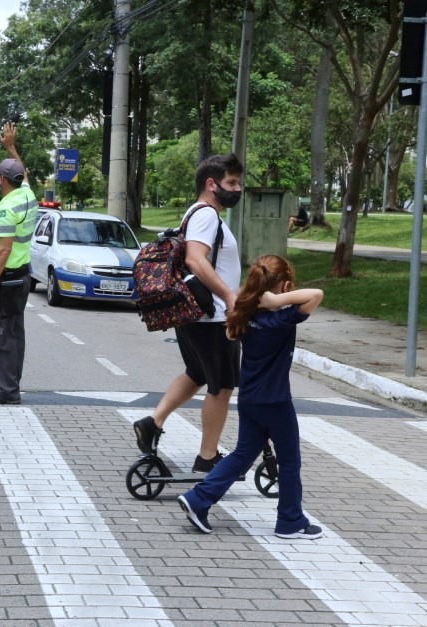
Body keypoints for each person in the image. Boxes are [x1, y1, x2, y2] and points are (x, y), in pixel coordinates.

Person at [178, 254, 324, 540]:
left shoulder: (246, 316)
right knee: (290, 461)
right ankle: (290, 521)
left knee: (243, 454)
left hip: (250, 400)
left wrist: (263, 300)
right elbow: (316, 294)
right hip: (276, 401)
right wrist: (277, 302)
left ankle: (198, 499)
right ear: (284, 286)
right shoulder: (281, 318)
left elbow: (235, 332)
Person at [133, 153, 244, 473]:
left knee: (197, 373)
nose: (237, 189)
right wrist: (227, 295)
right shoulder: (207, 214)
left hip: (194, 312)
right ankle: (207, 457)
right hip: (212, 316)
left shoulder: (197, 213)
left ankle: (152, 423)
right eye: (232, 183)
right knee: (221, 386)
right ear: (212, 184)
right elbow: (196, 259)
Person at [0, 122, 38, 405]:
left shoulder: (5, 209)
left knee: (1, 335)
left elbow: (3, 251)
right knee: (15, 334)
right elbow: (23, 173)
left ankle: (7, 390)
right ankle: (12, 385)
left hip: (6, 279)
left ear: (2, 180)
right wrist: (11, 148)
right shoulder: (27, 197)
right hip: (23, 276)